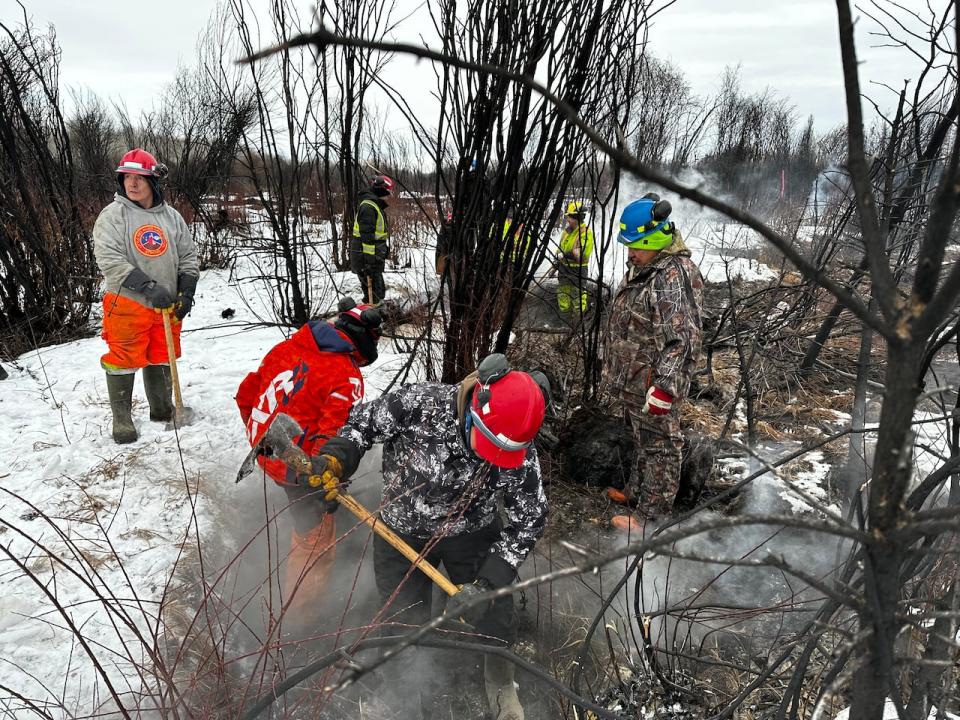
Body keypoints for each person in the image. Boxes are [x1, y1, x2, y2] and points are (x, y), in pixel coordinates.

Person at [308, 354, 549, 720]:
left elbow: (528, 518)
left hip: (472, 530)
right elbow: (361, 426)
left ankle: (500, 682)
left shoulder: (518, 447)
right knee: (401, 617)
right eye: (489, 447)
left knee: (497, 613)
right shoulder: (418, 404)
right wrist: (337, 459)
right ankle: (406, 692)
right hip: (400, 527)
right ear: (473, 410)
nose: (497, 458)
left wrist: (488, 583)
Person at [235, 298, 382, 622]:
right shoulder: (344, 374)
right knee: (314, 542)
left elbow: (246, 394)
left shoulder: (285, 348)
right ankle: (299, 618)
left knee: (314, 508)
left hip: (269, 453)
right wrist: (316, 477)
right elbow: (336, 437)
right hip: (299, 468)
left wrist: (258, 435)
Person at [600, 193, 704, 534]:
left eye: (636, 246)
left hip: (653, 383)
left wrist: (665, 386)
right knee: (642, 438)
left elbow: (684, 338)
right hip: (634, 379)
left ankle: (651, 518)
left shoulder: (673, 275)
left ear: (655, 238)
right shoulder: (648, 266)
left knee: (660, 445)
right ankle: (637, 494)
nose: (630, 253)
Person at [93, 148, 199, 444]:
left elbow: (189, 256)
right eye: (127, 177)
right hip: (128, 303)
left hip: (166, 305)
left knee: (162, 355)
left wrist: (186, 292)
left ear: (154, 181)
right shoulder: (113, 216)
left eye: (139, 177)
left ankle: (163, 409)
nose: (132, 183)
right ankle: (123, 420)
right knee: (123, 358)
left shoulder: (172, 217)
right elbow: (110, 260)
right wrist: (148, 288)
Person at [351, 175, 394, 304]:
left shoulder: (374, 205)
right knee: (373, 295)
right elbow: (367, 239)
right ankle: (371, 318)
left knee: (378, 292)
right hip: (367, 259)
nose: (389, 196)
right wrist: (369, 263)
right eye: (388, 192)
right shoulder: (369, 208)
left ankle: (375, 314)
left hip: (374, 257)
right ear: (381, 190)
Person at [555, 201, 595, 316]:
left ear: (578, 218)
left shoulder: (586, 233)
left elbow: (582, 254)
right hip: (564, 268)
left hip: (578, 270)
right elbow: (560, 248)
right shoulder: (566, 232)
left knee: (578, 296)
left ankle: (578, 321)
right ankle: (564, 317)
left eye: (570, 217)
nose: (568, 219)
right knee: (562, 293)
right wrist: (556, 260)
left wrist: (564, 254)